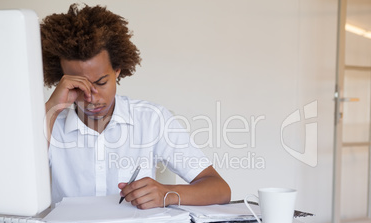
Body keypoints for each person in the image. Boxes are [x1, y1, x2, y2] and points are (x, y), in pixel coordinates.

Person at [41, 3, 231, 209]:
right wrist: (51, 106)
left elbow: (220, 189)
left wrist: (167, 193)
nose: (91, 97)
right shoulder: (50, 123)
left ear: (118, 71)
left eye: (101, 82)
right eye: (79, 86)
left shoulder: (151, 119)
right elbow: (10, 179)